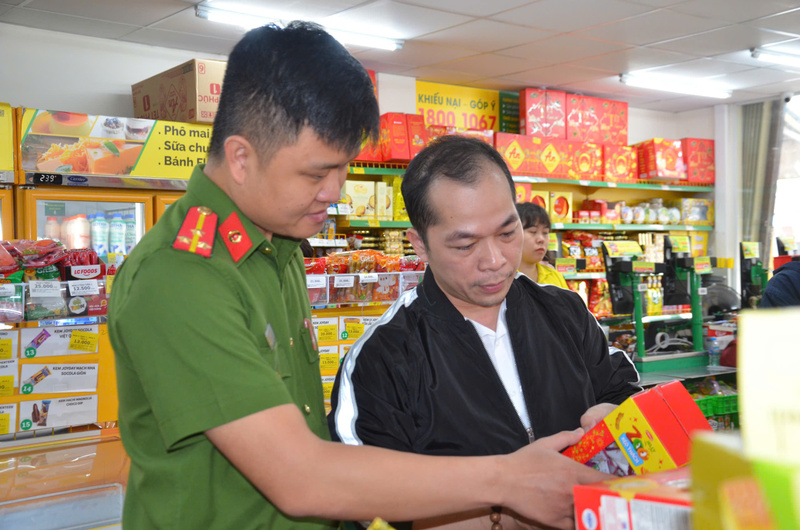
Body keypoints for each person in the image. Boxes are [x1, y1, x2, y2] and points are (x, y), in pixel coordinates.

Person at [109, 22, 611, 530]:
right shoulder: (181, 277)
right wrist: (507, 482)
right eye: (316, 173)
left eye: (343, 168)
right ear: (242, 157)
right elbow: (301, 477)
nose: (336, 192)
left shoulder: (278, 250)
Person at [328, 136, 641, 529]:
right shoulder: (383, 356)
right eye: (465, 245)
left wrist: (614, 417)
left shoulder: (565, 311)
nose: (494, 261)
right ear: (420, 245)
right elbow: (366, 502)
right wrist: (503, 512)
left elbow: (623, 391)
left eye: (507, 233)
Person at [515, 202, 568, 288]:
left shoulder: (555, 277)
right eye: (533, 232)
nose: (541, 239)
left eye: (545, 233)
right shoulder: (502, 280)